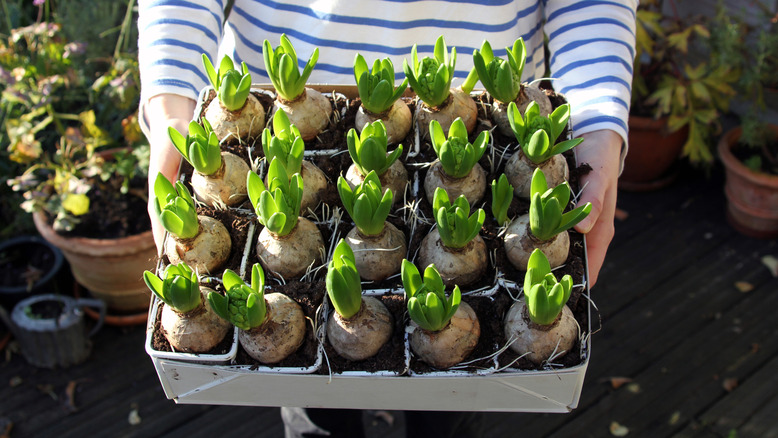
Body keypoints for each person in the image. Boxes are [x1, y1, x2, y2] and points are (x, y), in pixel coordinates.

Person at [137, 1, 637, 436]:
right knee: (314, 409)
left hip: (498, 93)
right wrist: (170, 104)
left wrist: (596, 121)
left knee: (455, 410)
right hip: (272, 100)